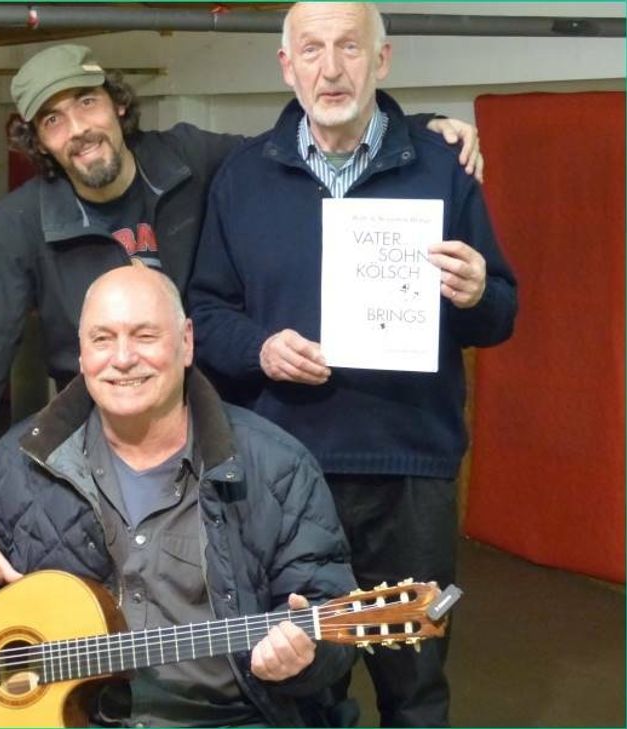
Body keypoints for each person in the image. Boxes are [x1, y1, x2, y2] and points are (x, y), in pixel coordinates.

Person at [0, 42, 484, 513]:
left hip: (212, 413)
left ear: (117, 106)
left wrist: (413, 130)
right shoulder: (20, 221)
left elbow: (293, 151)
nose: (78, 130)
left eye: (87, 103)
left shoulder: (187, 157)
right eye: (53, 120)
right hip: (102, 422)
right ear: (39, 143)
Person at [187, 4, 518, 727]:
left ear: (382, 60)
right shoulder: (243, 178)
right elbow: (204, 315)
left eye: (347, 48)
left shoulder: (442, 166)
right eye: (310, 50)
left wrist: (471, 293)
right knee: (298, 677)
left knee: (415, 679)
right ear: (286, 66)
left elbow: (500, 313)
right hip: (284, 473)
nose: (329, 69)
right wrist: (260, 349)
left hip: (410, 470)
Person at [0, 265, 358, 727]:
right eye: (102, 339)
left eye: (144, 336)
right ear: (81, 352)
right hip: (78, 717)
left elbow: (329, 612)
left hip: (229, 718)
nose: (123, 358)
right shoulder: (26, 455)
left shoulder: (276, 465)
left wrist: (306, 656)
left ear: (187, 341)